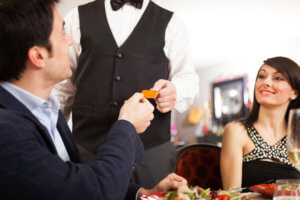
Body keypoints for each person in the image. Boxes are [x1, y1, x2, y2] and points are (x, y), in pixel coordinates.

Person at [0, 0, 187, 199]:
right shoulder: (7, 130)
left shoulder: (48, 113)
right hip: (95, 150)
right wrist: (127, 124)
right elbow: (90, 191)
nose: (71, 41)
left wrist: (144, 193)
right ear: (38, 56)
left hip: (148, 151)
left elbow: (72, 179)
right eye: (62, 33)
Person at [54, 0, 199, 187]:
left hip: (151, 154)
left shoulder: (172, 22)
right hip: (88, 150)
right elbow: (62, 86)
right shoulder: (76, 17)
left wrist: (176, 91)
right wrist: (52, 139)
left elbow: (188, 78)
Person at [221, 56, 300, 190]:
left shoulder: (296, 138)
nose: (266, 82)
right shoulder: (237, 131)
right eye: (262, 76)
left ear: (294, 93)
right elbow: (232, 194)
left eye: (278, 78)